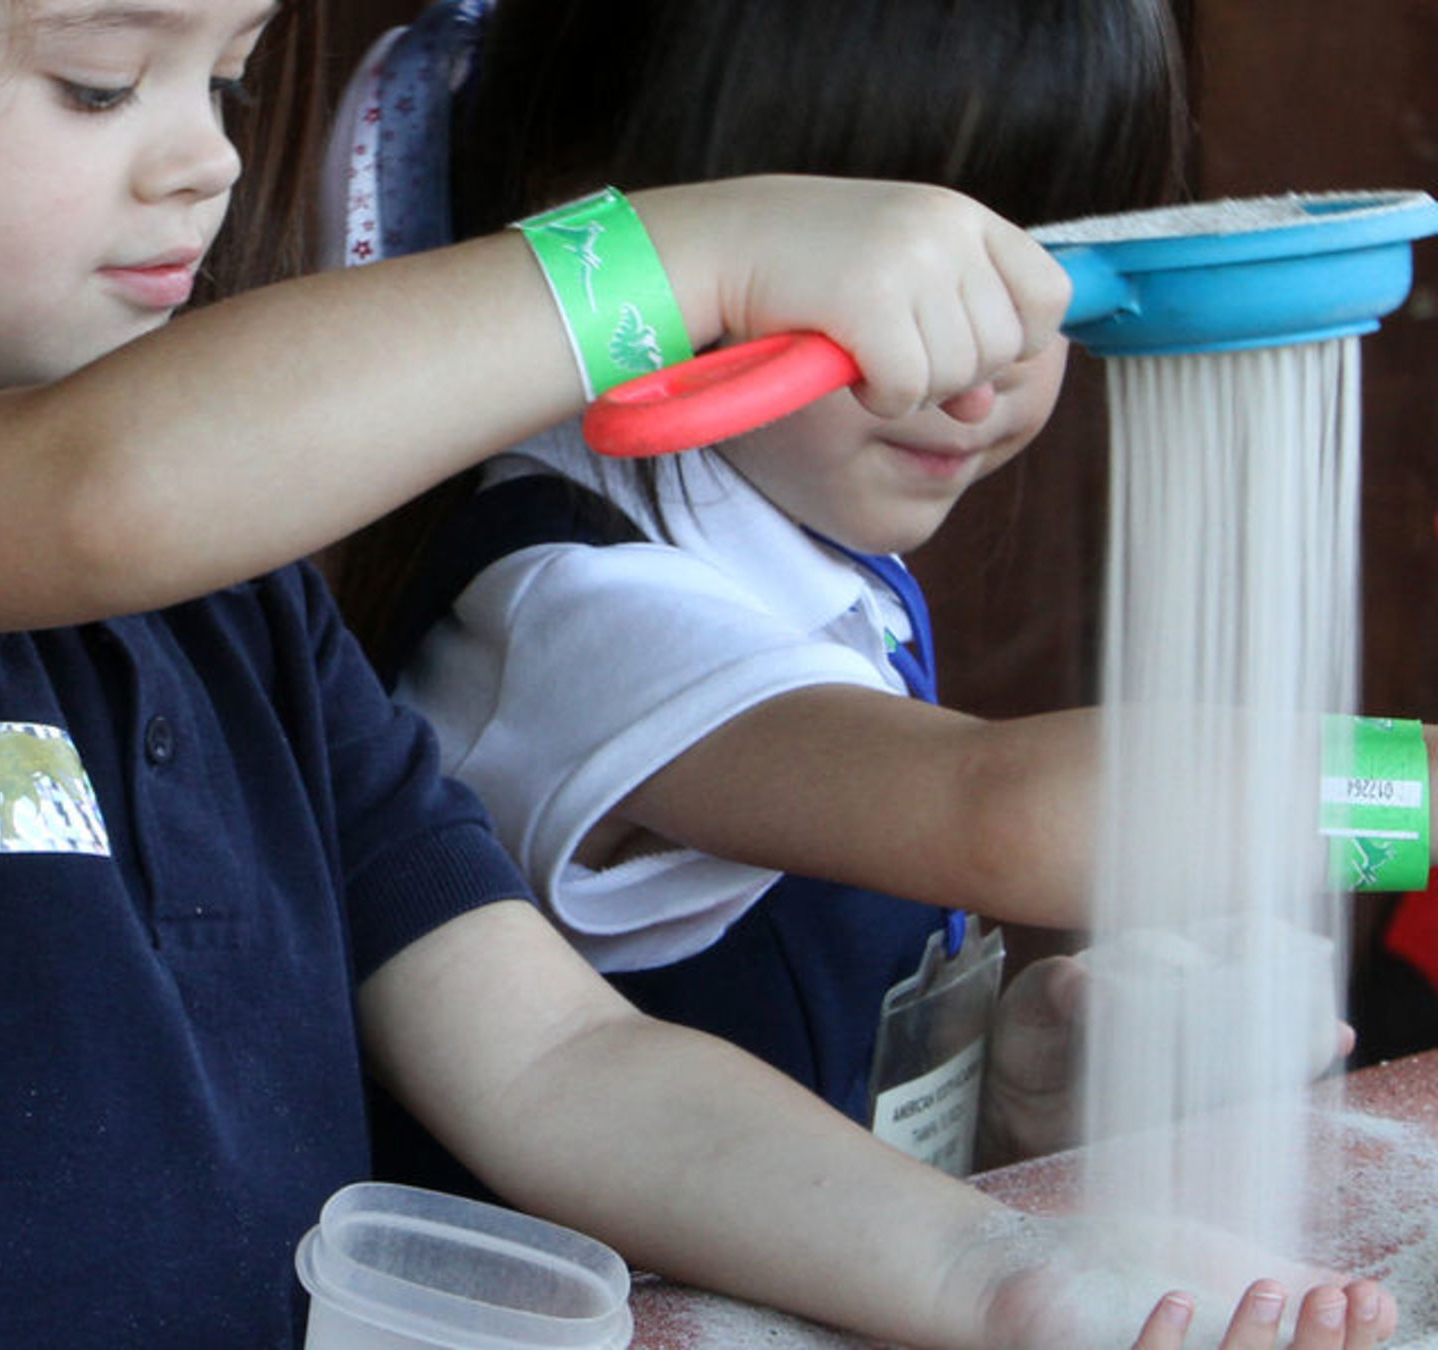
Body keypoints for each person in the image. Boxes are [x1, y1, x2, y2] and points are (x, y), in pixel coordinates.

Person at [0, 0, 1394, 1347]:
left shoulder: (236, 601)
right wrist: (687, 258)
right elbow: (100, 489)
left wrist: (1001, 1273)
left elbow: (557, 1062)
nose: (206, 163)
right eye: (101, 83)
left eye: (230, 81)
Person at [327, 0, 1430, 1185]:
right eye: (892, 286)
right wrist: (1412, 796)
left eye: (1054, 269)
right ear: (642, 232)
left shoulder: (796, 537)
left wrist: (1007, 1100)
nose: (977, 377)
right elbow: (993, 809)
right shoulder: (568, 609)